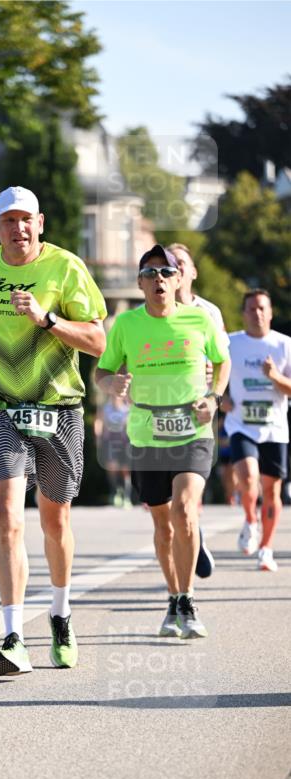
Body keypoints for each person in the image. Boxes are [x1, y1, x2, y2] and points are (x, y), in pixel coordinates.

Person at [0, 185, 107, 676]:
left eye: (25, 220)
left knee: (54, 521)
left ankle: (60, 613)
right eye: (8, 221)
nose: (18, 229)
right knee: (8, 516)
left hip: (59, 405)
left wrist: (48, 319)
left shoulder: (66, 268)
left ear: (41, 223)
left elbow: (99, 339)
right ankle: (13, 636)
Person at [95, 245, 231, 640]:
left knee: (185, 510)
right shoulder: (124, 326)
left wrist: (214, 398)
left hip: (192, 432)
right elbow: (103, 372)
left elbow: (222, 361)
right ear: (139, 283)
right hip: (147, 436)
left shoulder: (199, 319)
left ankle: (187, 600)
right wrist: (112, 383)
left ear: (178, 280)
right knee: (163, 524)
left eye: (166, 273)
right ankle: (173, 597)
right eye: (150, 274)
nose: (159, 280)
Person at [168, 242, 226, 578]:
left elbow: (223, 360)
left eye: (181, 263)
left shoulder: (209, 312)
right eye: (168, 262)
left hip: (197, 409)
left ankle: (192, 532)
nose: (173, 268)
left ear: (191, 272)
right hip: (157, 410)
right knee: (165, 502)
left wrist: (215, 391)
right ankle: (190, 532)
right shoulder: (153, 308)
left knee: (189, 490)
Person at [223, 289, 291, 571]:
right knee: (248, 476)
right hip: (241, 424)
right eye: (251, 308)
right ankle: (251, 519)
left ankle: (266, 548)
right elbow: (211, 374)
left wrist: (274, 376)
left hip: (274, 428)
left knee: (271, 490)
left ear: (270, 312)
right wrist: (219, 399)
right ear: (244, 313)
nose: (257, 313)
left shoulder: (284, 345)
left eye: (262, 308)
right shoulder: (230, 344)